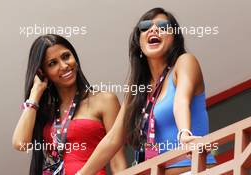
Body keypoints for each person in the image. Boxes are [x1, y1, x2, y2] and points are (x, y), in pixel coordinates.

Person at [76, 7, 216, 175]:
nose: (154, 29)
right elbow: (114, 138)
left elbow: (181, 101)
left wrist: (184, 134)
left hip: (194, 171)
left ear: (175, 38)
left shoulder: (184, 62)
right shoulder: (136, 88)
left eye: (164, 26)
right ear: (138, 41)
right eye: (146, 26)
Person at [12, 34, 127, 175]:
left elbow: (118, 161)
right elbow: (20, 143)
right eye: (52, 63)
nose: (64, 66)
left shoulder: (104, 100)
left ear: (75, 57)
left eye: (66, 56)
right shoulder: (46, 111)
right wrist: (35, 93)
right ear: (42, 72)